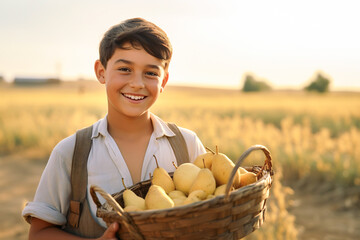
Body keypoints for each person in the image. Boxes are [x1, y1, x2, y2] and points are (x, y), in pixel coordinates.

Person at [22, 17, 206, 240]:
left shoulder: (187, 144)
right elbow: (39, 233)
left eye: (151, 73)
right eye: (125, 69)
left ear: (164, 81)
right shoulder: (71, 153)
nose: (137, 83)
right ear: (101, 71)